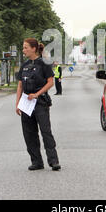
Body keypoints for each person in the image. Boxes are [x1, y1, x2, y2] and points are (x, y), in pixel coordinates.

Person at [15, 38, 61, 171]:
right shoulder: (24, 66)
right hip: (26, 104)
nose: (24, 50)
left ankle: (53, 161)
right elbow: (19, 86)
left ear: (34, 48)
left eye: (26, 47)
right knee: (29, 134)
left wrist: (37, 94)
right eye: (23, 48)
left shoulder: (44, 64)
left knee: (46, 132)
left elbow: (50, 82)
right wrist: (17, 103)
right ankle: (36, 161)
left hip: (40, 102)